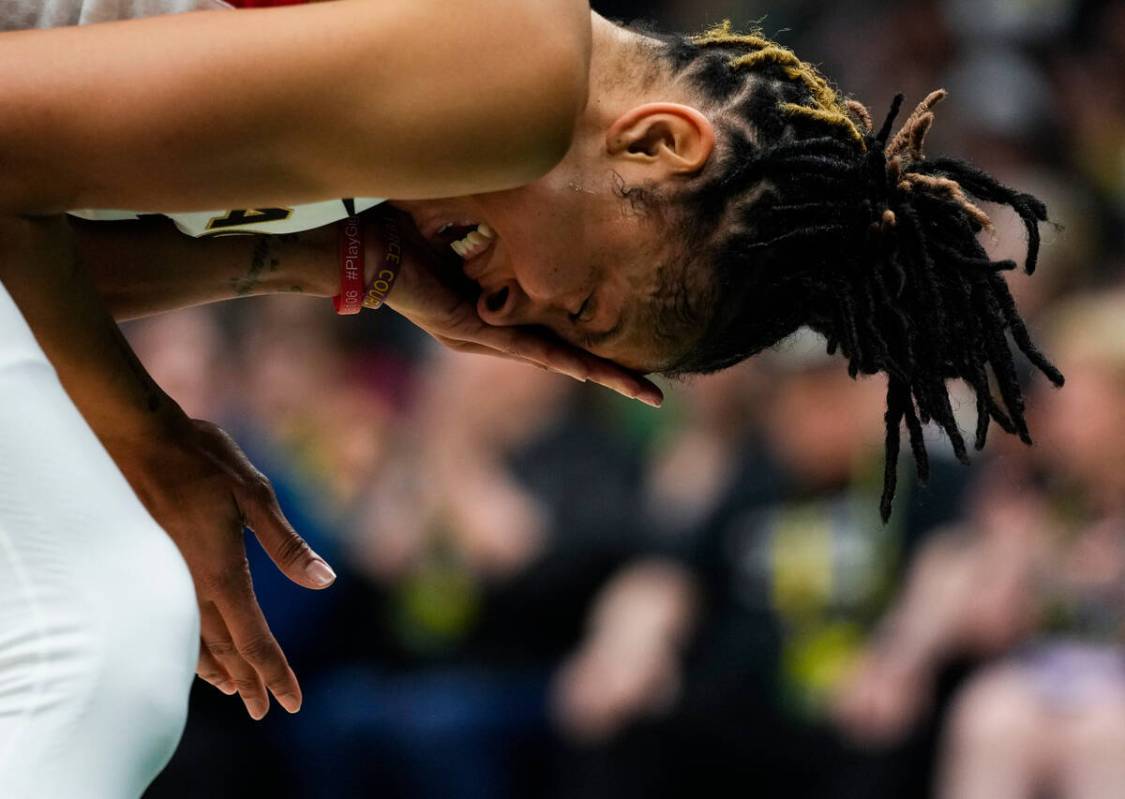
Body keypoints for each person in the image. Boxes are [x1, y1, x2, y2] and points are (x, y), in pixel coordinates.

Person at [0, 1, 1062, 795]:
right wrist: (147, 440)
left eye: (559, 333)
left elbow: (26, 252)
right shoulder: (522, 61)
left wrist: (339, 261)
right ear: (656, 142)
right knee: (105, 638)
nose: (513, 312)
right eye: (584, 302)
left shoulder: (404, 150)